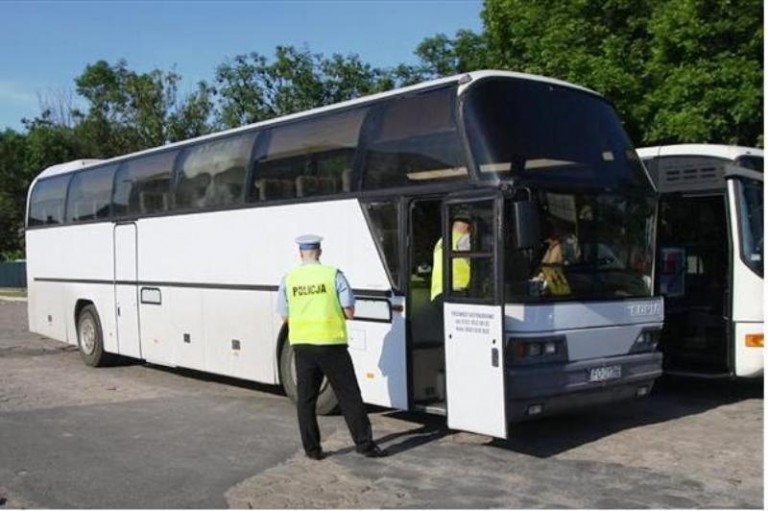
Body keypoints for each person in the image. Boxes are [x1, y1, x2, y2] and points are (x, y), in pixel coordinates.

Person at [276, 234, 386, 460]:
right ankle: (364, 444)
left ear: (301, 253)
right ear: (320, 252)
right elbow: (349, 312)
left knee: (306, 399)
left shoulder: (289, 278)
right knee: (349, 395)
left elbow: (285, 316)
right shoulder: (333, 275)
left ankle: (313, 450)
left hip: (302, 346)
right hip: (331, 344)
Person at [430, 213, 472, 302]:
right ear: (469, 227)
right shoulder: (465, 239)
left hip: (438, 293)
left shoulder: (442, 240)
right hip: (457, 291)